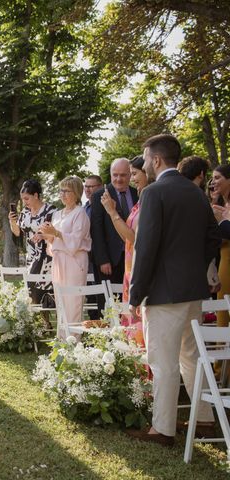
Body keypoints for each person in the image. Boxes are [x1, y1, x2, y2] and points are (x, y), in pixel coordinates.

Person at [128, 134, 220, 446]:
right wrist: (196, 266)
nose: (144, 164)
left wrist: (135, 294)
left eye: (145, 158)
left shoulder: (154, 193)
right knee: (191, 357)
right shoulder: (195, 193)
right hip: (193, 291)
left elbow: (146, 247)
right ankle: (205, 419)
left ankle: (162, 429)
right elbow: (213, 237)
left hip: (164, 293)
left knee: (163, 361)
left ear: (156, 159)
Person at [100, 156, 149, 344]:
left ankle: (146, 370)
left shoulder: (146, 198)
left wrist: (112, 213)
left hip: (137, 263)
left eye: (134, 174)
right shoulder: (141, 197)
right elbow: (128, 237)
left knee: (140, 322)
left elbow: (134, 238)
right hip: (130, 265)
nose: (132, 179)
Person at [39, 176, 91, 338]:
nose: (62, 194)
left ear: (76, 193)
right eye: (61, 190)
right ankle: (62, 340)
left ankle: (74, 343)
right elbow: (53, 243)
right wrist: (45, 236)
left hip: (74, 261)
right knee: (61, 301)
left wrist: (56, 233)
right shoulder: (57, 214)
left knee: (73, 302)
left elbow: (75, 242)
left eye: (66, 191)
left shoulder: (80, 213)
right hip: (59, 261)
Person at [90, 158, 138, 311]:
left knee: (129, 301)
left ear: (130, 175)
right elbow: (96, 230)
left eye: (123, 175)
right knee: (109, 305)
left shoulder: (138, 193)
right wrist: (103, 259)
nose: (118, 179)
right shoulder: (99, 196)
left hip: (133, 258)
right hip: (110, 260)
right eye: (115, 175)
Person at [8, 179, 56, 305]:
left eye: (27, 198)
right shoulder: (25, 213)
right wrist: (12, 222)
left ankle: (55, 319)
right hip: (31, 256)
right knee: (32, 292)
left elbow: (54, 232)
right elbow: (18, 233)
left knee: (48, 291)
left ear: (36, 195)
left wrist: (43, 234)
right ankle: (45, 323)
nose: (24, 202)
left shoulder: (50, 211)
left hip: (47, 257)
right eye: (22, 199)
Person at [211, 164, 230, 329]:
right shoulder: (224, 205)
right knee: (222, 307)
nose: (213, 182)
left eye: (217, 177)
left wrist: (221, 221)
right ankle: (222, 350)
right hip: (224, 261)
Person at [83, 174, 103, 320]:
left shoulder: (104, 206)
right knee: (90, 301)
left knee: (102, 301)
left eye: (91, 186)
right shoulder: (83, 209)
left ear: (100, 187)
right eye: (86, 186)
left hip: (101, 260)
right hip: (87, 262)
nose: (88, 189)